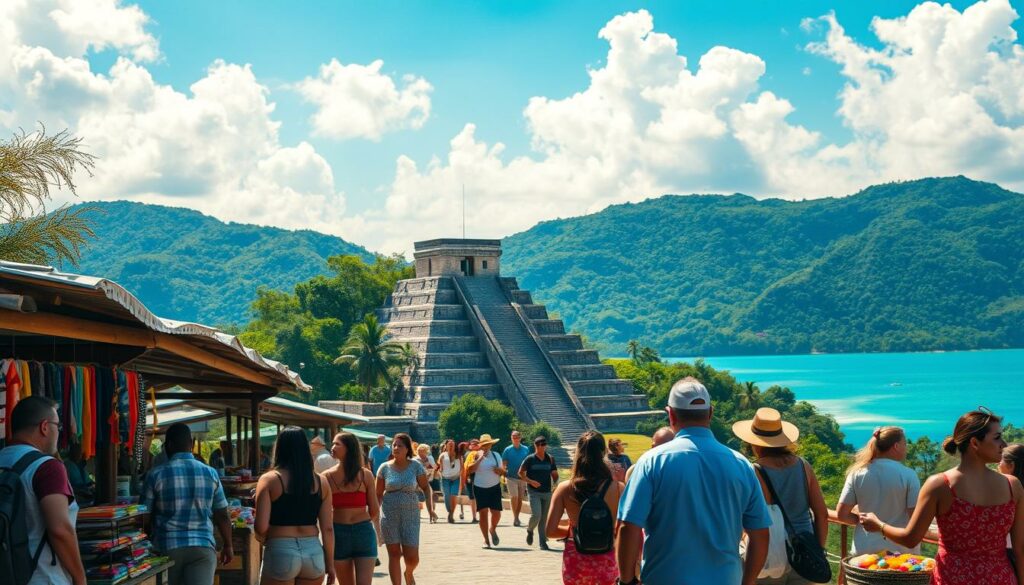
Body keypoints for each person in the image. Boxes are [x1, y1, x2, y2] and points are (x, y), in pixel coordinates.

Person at [617, 377, 772, 585]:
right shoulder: (741, 464)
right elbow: (760, 533)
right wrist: (748, 581)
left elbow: (628, 527)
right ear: (710, 413)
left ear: (671, 414)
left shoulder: (652, 462)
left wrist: (626, 580)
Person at [861, 408, 1024, 585]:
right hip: (1000, 578)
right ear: (975, 443)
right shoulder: (1012, 486)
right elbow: (1020, 549)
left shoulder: (940, 485)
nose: (1004, 444)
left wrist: (879, 525)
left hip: (953, 578)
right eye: (997, 437)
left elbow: (911, 538)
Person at [733, 408, 829, 585]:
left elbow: (753, 519)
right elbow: (822, 514)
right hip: (804, 552)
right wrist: (818, 551)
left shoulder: (755, 471)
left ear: (754, 443)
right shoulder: (803, 466)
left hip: (771, 554)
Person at [0, 396, 86, 585]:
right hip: (43, 577)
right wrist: (80, 579)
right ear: (45, 427)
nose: (58, 432)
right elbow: (60, 530)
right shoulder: (47, 467)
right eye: (58, 426)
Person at [142, 422, 233, 585]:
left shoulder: (155, 475)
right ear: (191, 444)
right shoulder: (211, 473)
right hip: (202, 548)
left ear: (168, 445)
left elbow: (144, 517)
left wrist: (148, 540)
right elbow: (222, 515)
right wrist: (228, 545)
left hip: (167, 547)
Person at [254, 426, 335, 585]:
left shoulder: (269, 480)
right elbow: (328, 529)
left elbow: (261, 527)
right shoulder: (321, 482)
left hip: (280, 550)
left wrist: (264, 540)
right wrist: (330, 565)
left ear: (279, 448)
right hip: (313, 553)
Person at [546, 431, 623, 583]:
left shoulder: (564, 488)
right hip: (607, 558)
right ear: (604, 452)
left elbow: (550, 531)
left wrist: (574, 530)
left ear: (578, 452)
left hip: (576, 559)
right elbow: (624, 530)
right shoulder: (618, 488)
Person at [835, 426, 921, 555]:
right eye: (905, 444)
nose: (906, 448)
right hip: (900, 553)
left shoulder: (857, 473)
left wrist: (864, 520)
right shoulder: (909, 475)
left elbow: (842, 515)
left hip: (864, 552)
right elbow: (915, 518)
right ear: (896, 446)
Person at [375, 433, 436, 585]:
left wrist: (430, 509)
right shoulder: (384, 468)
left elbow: (425, 488)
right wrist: (374, 516)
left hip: (411, 516)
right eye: (394, 445)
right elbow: (377, 495)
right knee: (394, 555)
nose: (396, 448)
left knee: (412, 558)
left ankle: (408, 573)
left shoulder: (416, 466)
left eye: (400, 445)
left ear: (407, 449)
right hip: (389, 516)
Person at [324, 432, 379, 585]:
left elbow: (375, 510)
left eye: (337, 444)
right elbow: (374, 511)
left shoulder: (326, 477)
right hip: (357, 531)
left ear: (349, 448)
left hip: (342, 532)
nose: (332, 447)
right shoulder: (365, 475)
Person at [466, 433, 505, 548]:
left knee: (496, 514)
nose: (486, 447)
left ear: (491, 445)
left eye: (488, 444)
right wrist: (479, 458)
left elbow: (503, 472)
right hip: (480, 487)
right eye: (484, 445)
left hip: (494, 487)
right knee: (483, 514)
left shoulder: (496, 455)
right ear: (480, 446)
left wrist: (499, 471)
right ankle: (486, 540)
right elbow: (469, 470)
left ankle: (492, 529)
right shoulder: (475, 455)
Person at [520, 435, 558, 550]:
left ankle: (542, 542)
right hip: (534, 492)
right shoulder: (530, 459)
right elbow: (520, 473)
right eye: (539, 444)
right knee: (536, 515)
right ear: (535, 445)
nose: (542, 447)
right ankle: (530, 530)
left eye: (544, 444)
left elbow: (554, 474)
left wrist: (556, 484)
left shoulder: (550, 458)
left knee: (543, 518)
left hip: (547, 492)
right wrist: (531, 482)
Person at [502, 430, 532, 527]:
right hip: (511, 477)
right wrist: (503, 475)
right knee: (514, 497)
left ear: (520, 438)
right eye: (513, 437)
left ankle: (517, 516)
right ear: (511, 438)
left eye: (517, 437)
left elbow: (529, 463)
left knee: (520, 499)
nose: (515, 439)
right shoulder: (507, 450)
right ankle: (515, 518)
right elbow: (504, 464)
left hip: (522, 478)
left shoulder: (526, 449)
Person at [438, 439, 462, 523]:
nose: (451, 445)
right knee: (447, 496)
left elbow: (462, 467)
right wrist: (440, 471)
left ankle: (451, 513)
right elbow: (439, 467)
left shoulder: (459, 455)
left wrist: (461, 478)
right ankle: (450, 511)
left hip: (456, 478)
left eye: (453, 444)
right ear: (446, 446)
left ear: (455, 446)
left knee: (453, 496)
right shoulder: (442, 455)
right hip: (445, 479)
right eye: (449, 444)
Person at [459, 439, 480, 523]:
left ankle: (477, 516)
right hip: (470, 477)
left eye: (476, 444)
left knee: (475, 497)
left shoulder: (480, 453)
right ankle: (474, 517)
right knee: (473, 497)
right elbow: (464, 467)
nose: (474, 445)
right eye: (472, 444)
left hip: (476, 477)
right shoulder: (468, 454)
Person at [414, 444, 437, 517]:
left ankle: (432, 513)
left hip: (428, 480)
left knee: (430, 497)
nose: (420, 453)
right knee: (417, 497)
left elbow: (435, 467)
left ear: (426, 452)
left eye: (422, 451)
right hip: (417, 481)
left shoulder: (430, 458)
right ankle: (418, 514)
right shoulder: (415, 460)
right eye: (419, 451)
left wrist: (431, 472)